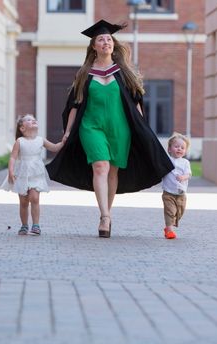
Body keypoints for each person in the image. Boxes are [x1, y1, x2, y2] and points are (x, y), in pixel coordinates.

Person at [46, 20, 174, 238]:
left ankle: (107, 213)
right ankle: (105, 217)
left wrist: (141, 132)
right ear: (93, 46)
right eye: (100, 39)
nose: (106, 42)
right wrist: (67, 132)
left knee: (113, 171)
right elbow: (75, 106)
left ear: (113, 45)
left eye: (108, 39)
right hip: (91, 126)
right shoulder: (84, 75)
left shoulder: (123, 73)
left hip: (119, 128)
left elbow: (136, 104)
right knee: (100, 166)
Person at [3, 114, 64, 236]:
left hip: (36, 174)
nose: (33, 120)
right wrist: (10, 171)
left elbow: (54, 148)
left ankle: (36, 225)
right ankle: (24, 225)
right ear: (22, 128)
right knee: (24, 202)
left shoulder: (40, 140)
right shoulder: (19, 142)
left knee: (35, 198)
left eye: (34, 119)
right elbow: (13, 157)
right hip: (22, 174)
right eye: (29, 120)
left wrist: (64, 141)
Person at [161, 132, 192, 239]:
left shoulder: (185, 162)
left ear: (185, 151)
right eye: (176, 146)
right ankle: (169, 230)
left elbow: (188, 174)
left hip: (181, 193)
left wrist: (183, 177)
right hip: (168, 192)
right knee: (170, 211)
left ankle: (170, 225)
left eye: (182, 147)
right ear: (169, 149)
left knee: (180, 212)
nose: (179, 149)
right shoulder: (167, 160)